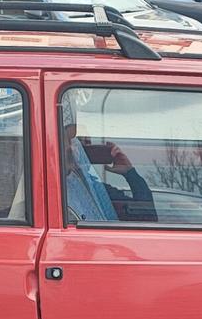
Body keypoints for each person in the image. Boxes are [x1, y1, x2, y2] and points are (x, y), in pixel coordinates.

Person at [60, 93, 153, 222]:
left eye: (85, 144)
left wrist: (130, 173)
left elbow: (147, 215)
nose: (76, 149)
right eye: (74, 141)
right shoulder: (55, 192)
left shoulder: (97, 191)